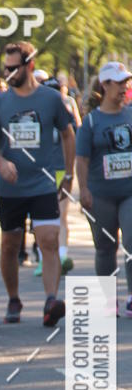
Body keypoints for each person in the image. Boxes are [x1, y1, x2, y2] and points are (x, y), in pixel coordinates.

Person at [0, 41, 75, 326]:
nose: (8, 73)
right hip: (10, 189)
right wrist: (1, 163)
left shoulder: (51, 99)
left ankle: (50, 301)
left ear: (30, 65)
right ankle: (13, 299)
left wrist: (68, 174)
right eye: (5, 68)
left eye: (14, 68)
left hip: (43, 184)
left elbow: (68, 135)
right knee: (10, 245)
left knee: (48, 239)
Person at [76, 61, 132, 316]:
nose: (124, 87)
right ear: (105, 84)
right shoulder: (90, 122)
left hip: (129, 191)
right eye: (119, 82)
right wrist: (84, 190)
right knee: (105, 247)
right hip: (100, 194)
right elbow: (82, 159)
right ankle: (109, 300)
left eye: (126, 82)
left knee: (131, 240)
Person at [32, 73, 79, 277]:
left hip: (60, 169)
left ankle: (61, 255)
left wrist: (70, 172)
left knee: (61, 215)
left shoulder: (65, 109)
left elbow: (74, 133)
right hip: (41, 171)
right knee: (42, 218)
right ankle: (44, 260)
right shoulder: (33, 110)